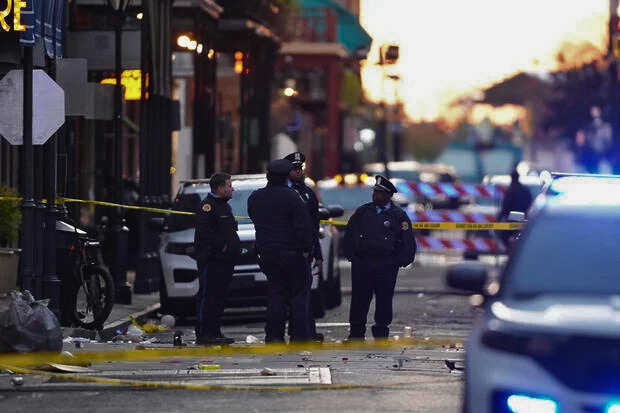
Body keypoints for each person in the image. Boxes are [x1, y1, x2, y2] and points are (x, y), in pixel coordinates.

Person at [247, 159, 314, 343]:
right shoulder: (292, 197)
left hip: (268, 253)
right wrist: (307, 248)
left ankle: (274, 336)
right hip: (292, 253)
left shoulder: (255, 197)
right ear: (286, 177)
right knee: (298, 295)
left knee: (276, 294)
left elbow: (255, 218)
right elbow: (303, 226)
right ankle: (299, 335)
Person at [343, 175, 416, 341]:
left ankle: (381, 333)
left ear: (388, 196)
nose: (375, 195)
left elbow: (407, 239)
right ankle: (356, 333)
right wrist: (353, 256)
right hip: (363, 262)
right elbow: (349, 234)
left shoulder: (398, 215)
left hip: (386, 264)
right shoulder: (363, 212)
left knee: (384, 299)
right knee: (359, 299)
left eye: (380, 193)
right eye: (375, 192)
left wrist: (399, 261)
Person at [194, 173, 241, 345]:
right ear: (220, 188)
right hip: (212, 260)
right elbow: (205, 233)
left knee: (220, 298)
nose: (232, 189)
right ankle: (203, 333)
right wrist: (223, 245)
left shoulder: (223, 206)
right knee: (208, 297)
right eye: (229, 186)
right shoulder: (207, 206)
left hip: (225, 261)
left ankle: (215, 332)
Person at [284, 151, 324, 342]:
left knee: (305, 292)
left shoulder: (307, 192)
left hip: (305, 250)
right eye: (294, 169)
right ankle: (296, 332)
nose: (298, 172)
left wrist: (317, 252)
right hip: (288, 249)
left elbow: (314, 225)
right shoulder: (282, 190)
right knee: (289, 294)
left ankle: (307, 330)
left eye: (300, 168)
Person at [497, 169, 533, 247]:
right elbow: (531, 204)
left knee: (504, 234)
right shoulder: (526, 190)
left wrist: (499, 218)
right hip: (525, 219)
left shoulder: (511, 190)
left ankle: (510, 250)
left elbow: (506, 206)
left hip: (512, 219)